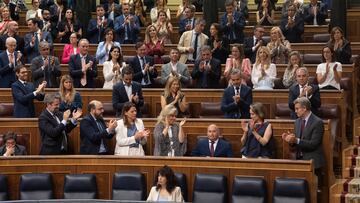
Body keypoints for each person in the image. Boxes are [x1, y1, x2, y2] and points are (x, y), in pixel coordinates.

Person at [282, 97, 325, 172]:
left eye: (297, 109)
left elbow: (313, 144)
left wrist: (296, 140)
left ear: (304, 108)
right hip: (298, 159)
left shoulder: (318, 122)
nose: (295, 111)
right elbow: (296, 143)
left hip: (312, 160)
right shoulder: (297, 122)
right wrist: (290, 140)